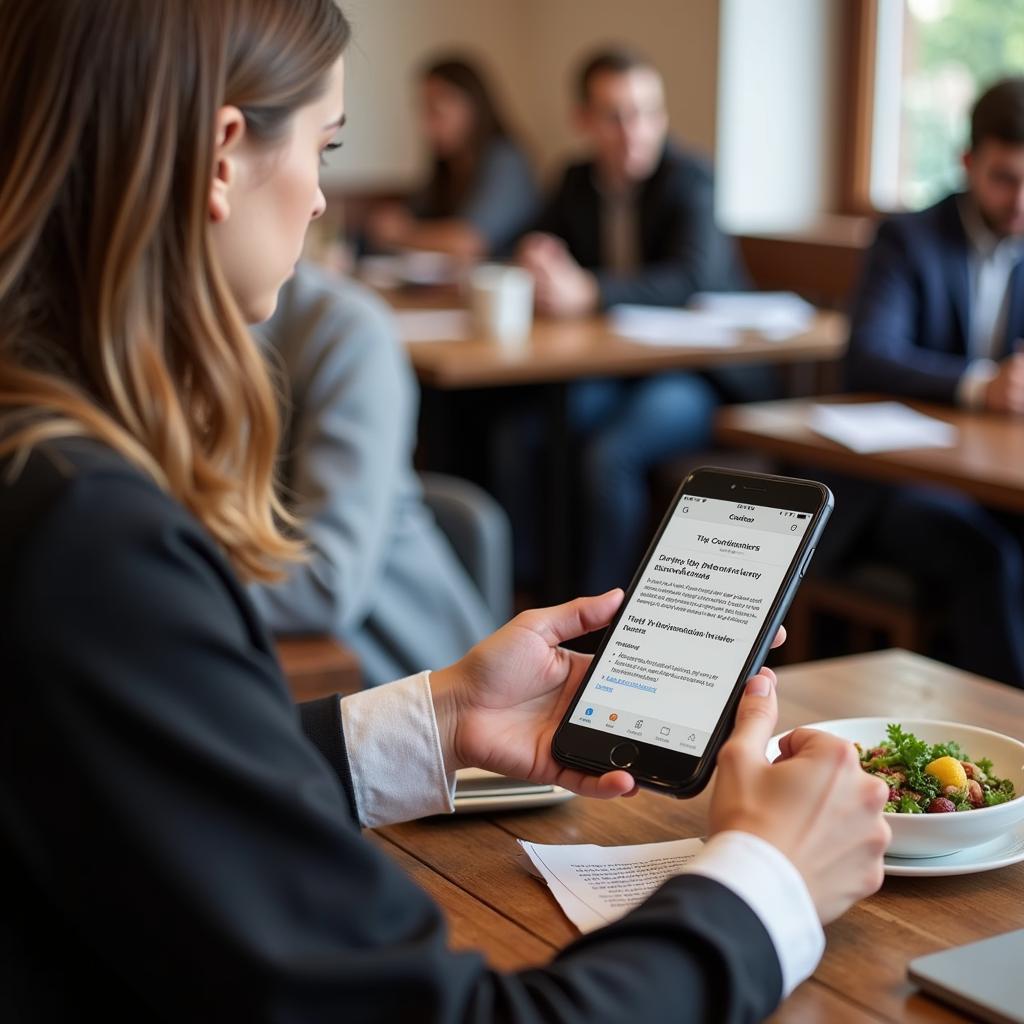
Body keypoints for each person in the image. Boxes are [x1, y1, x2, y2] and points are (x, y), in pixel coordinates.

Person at [0, 2, 889, 1020]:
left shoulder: (42, 467)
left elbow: (157, 787)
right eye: (325, 147)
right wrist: (767, 879)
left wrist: (444, 718)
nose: (325, 199)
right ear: (221, 156)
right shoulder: (96, 540)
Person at [505, 49, 765, 596]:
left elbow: (691, 277)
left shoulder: (689, 178)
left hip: (700, 375)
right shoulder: (576, 180)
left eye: (648, 112)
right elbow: (527, 242)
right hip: (621, 371)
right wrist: (537, 256)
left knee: (610, 454)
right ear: (584, 122)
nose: (635, 131)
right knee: (527, 431)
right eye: (616, 115)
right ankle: (531, 598)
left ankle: (602, 623)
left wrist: (590, 290)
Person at [841, 76, 1024, 688]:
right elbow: (869, 356)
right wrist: (982, 386)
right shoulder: (909, 238)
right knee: (988, 558)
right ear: (969, 163)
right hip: (901, 480)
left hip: (996, 478)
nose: (1021, 199)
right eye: (1005, 178)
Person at [249, 263, 497, 685]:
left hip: (413, 697)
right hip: (275, 677)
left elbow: (326, 583)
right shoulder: (144, 331)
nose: (318, 204)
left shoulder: (344, 330)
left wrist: (151, 586)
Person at [365, 56, 538, 261]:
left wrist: (402, 233)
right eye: (423, 111)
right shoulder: (447, 166)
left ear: (472, 107)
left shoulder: (506, 161)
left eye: (435, 111)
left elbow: (467, 241)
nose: (426, 126)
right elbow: (412, 216)